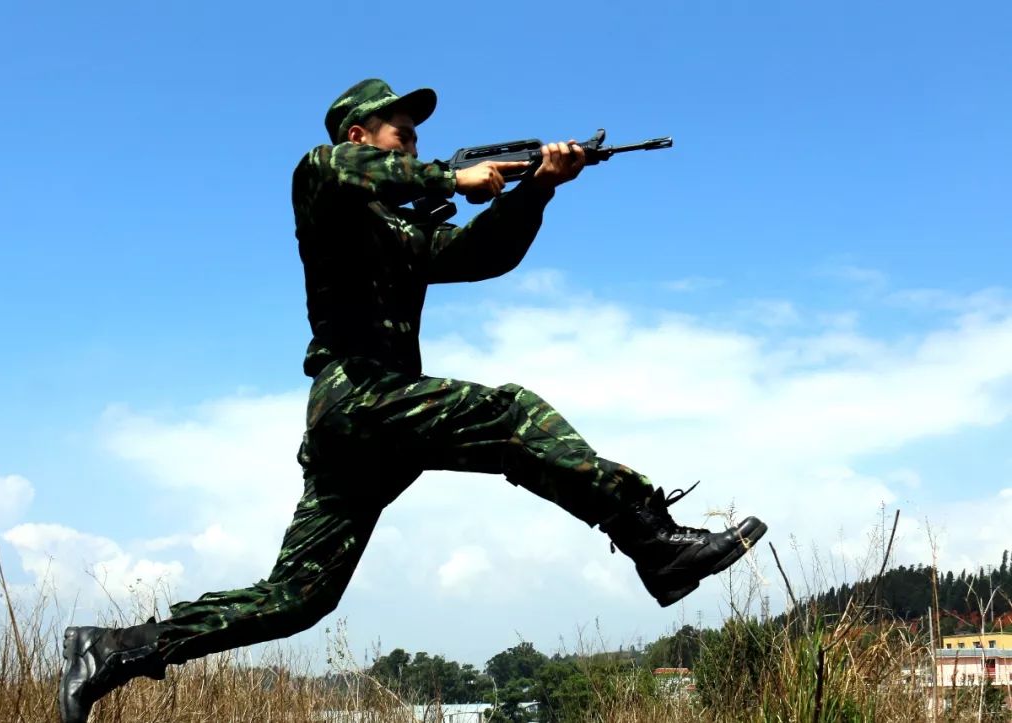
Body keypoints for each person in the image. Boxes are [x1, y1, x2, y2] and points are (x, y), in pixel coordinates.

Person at [58, 79, 767, 723]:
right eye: (403, 131)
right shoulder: (323, 178)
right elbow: (353, 173)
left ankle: (114, 649)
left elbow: (478, 256)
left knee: (300, 598)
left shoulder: (402, 230)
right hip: (362, 397)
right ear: (359, 135)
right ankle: (652, 540)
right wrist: (451, 175)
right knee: (513, 416)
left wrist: (538, 187)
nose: (416, 142)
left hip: (370, 424)